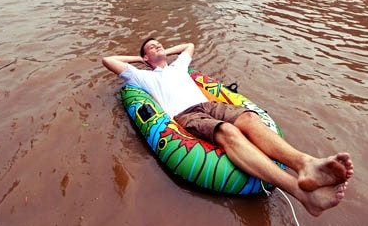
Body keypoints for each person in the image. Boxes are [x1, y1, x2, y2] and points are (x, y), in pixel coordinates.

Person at [102, 39, 354, 217]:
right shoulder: (142, 77)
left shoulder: (179, 67)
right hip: (185, 115)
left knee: (249, 118)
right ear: (146, 58)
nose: (158, 46)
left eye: (160, 44)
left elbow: (189, 45)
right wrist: (141, 59)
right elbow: (107, 59)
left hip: (208, 104)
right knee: (228, 132)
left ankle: (305, 164)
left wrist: (162, 50)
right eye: (151, 47)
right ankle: (302, 194)